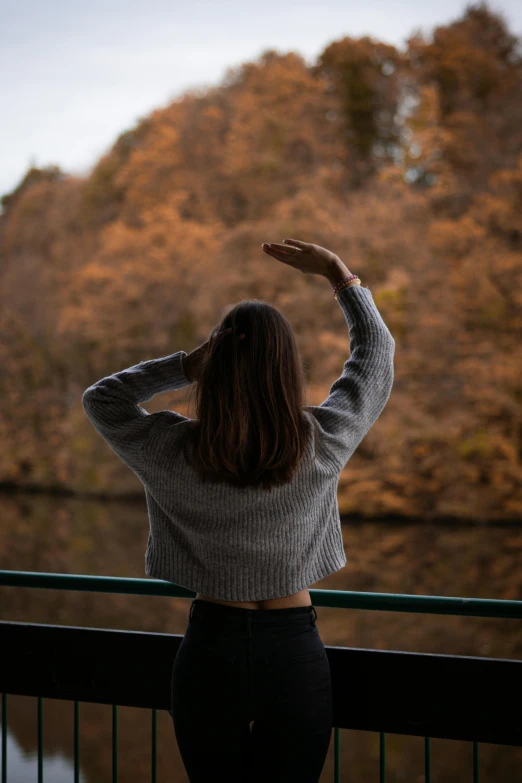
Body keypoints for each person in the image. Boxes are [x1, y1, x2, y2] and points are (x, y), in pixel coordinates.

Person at [82, 238, 395, 782]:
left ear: (216, 367)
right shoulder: (320, 440)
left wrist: (183, 366)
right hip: (295, 651)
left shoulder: (171, 448)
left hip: (209, 651)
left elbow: (102, 399)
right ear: (287, 368)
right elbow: (376, 358)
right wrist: (339, 277)